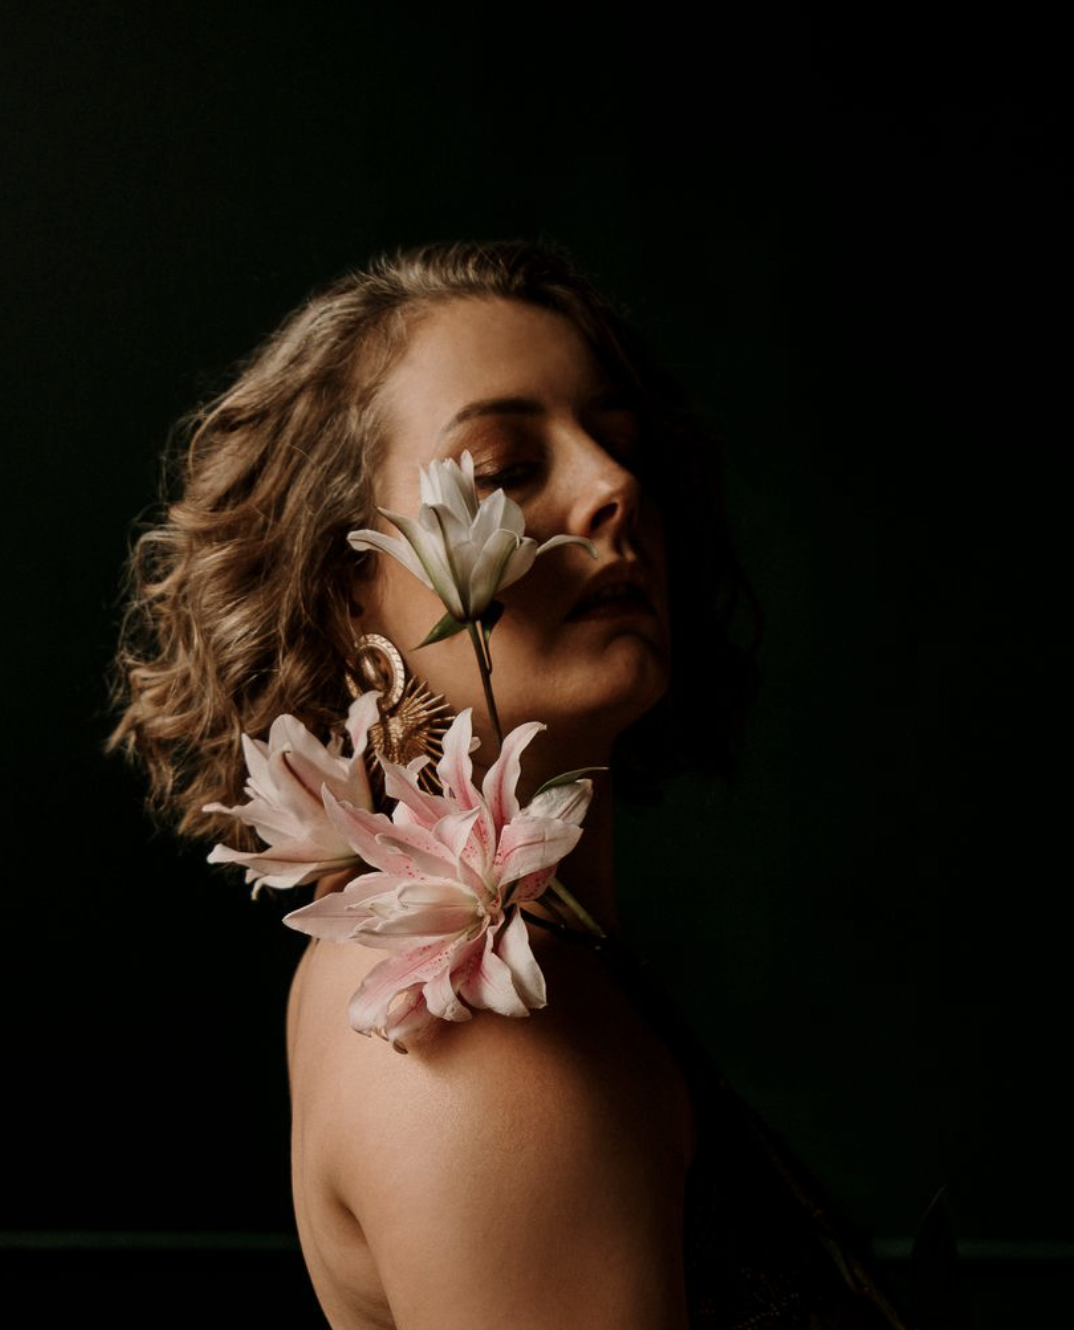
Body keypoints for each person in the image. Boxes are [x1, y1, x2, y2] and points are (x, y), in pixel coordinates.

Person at [107, 240, 916, 1328]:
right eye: (502, 472)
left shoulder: (532, 960)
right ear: (351, 596)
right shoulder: (467, 1031)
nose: (615, 489)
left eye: (620, 445)